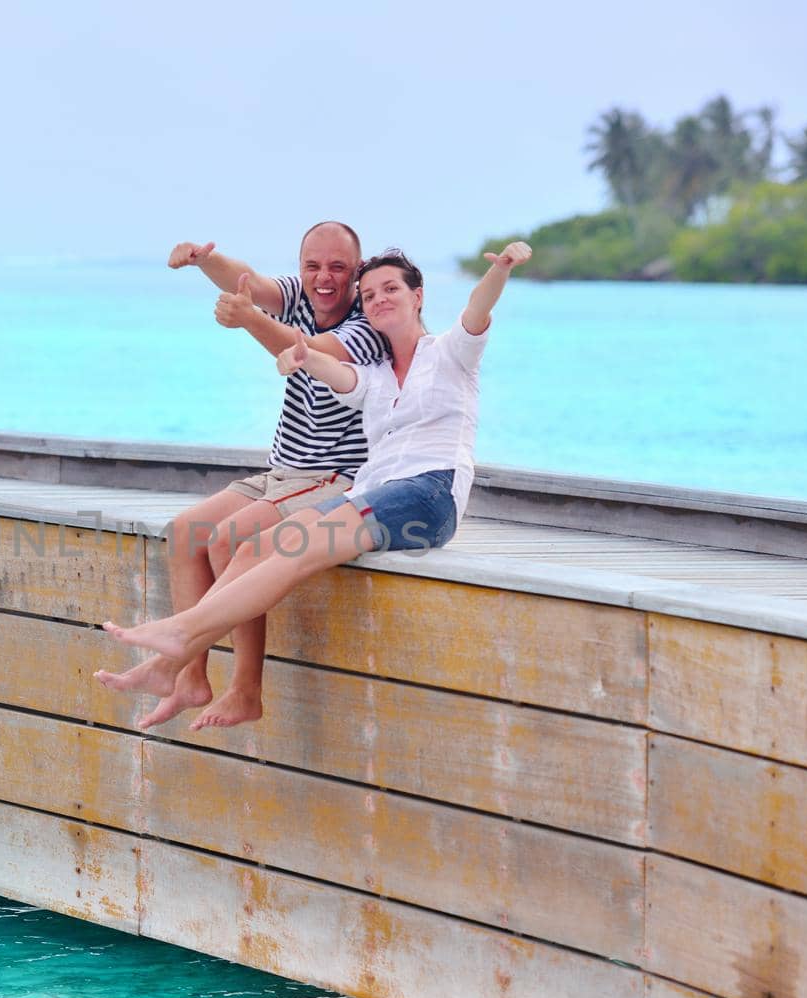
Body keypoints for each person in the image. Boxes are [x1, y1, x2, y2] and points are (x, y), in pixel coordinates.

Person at [98, 241, 533, 696]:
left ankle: (182, 634)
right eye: (368, 295)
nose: (379, 299)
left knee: (299, 544)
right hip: (372, 496)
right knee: (262, 545)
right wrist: (302, 357)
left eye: (391, 289)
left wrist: (501, 270)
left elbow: (477, 309)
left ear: (417, 296)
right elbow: (336, 371)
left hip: (428, 494)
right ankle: (177, 663)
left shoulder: (451, 353)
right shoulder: (376, 377)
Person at [94, 222, 387, 732]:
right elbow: (253, 282)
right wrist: (205, 261)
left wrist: (249, 318)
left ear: (357, 272)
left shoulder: (366, 325)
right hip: (284, 471)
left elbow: (303, 350)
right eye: (312, 266)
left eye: (338, 268)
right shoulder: (301, 292)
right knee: (186, 532)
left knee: (231, 537)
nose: (324, 278)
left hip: (335, 477)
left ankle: (243, 687)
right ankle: (189, 677)